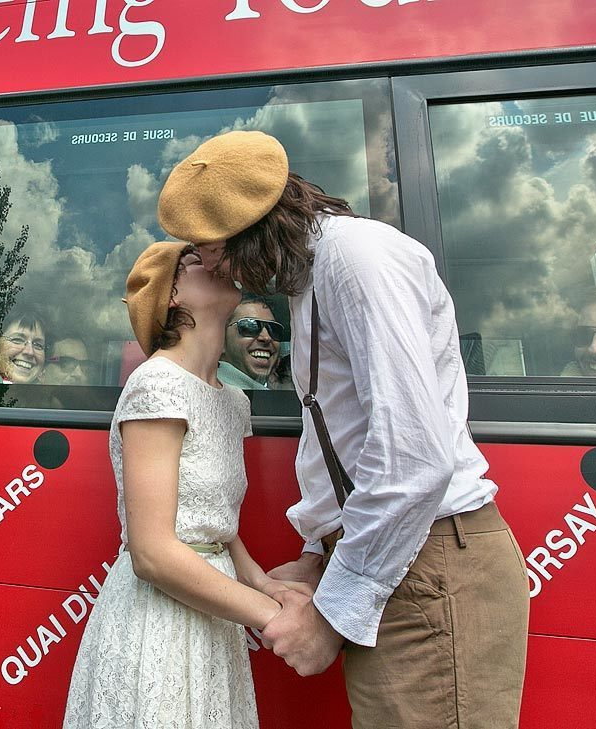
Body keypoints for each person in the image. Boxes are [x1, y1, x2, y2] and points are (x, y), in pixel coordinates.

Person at [157, 131, 530, 729]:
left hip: (427, 564)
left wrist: (330, 616)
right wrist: (316, 555)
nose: (208, 264)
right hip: (401, 559)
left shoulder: (358, 260)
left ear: (252, 229)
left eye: (210, 248)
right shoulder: (316, 275)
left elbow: (413, 459)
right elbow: (348, 438)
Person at [62, 241, 308, 729]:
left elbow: (214, 521)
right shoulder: (157, 385)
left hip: (212, 612)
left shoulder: (233, 401)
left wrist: (262, 582)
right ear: (171, 293)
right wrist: (271, 616)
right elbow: (152, 554)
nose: (217, 262)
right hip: (159, 621)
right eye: (197, 262)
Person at [217, 295, 283, 389]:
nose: (266, 337)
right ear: (220, 341)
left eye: (273, 329)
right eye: (250, 326)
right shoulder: (206, 392)